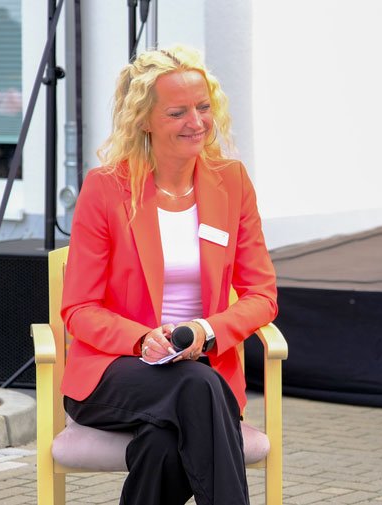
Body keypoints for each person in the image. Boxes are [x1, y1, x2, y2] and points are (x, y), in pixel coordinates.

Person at [60, 45, 278, 505]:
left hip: (204, 369)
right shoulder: (107, 188)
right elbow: (78, 310)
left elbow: (262, 295)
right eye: (178, 112)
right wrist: (144, 340)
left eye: (203, 107)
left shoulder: (231, 182)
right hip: (114, 371)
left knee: (164, 445)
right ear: (144, 119)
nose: (196, 122)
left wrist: (205, 330)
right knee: (198, 386)